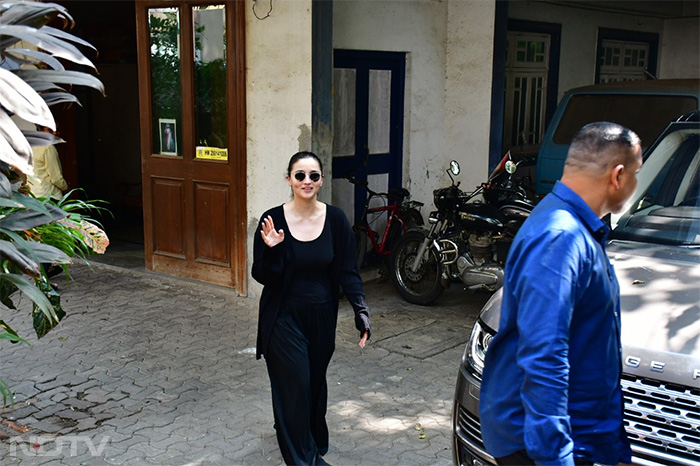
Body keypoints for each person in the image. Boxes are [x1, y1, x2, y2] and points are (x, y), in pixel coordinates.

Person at [479, 122, 642, 466]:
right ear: (617, 176)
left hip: (579, 435)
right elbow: (544, 356)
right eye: (636, 174)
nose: (636, 185)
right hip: (539, 447)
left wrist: (613, 447)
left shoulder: (577, 229)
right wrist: (555, 458)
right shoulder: (561, 237)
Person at [252, 151, 371, 465]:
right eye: (300, 175)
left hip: (321, 317)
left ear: (321, 181)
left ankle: (306, 433)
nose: (307, 181)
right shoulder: (272, 219)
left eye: (313, 176)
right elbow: (262, 274)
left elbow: (348, 270)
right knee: (296, 384)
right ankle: (305, 459)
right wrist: (273, 250)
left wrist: (361, 311)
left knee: (313, 385)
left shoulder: (335, 219)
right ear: (289, 179)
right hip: (282, 317)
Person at [29, 126, 68, 200]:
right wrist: (65, 187)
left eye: (56, 130)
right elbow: (56, 178)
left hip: (34, 195)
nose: (55, 132)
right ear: (41, 131)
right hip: (49, 196)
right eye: (50, 130)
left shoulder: (31, 146)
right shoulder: (48, 147)